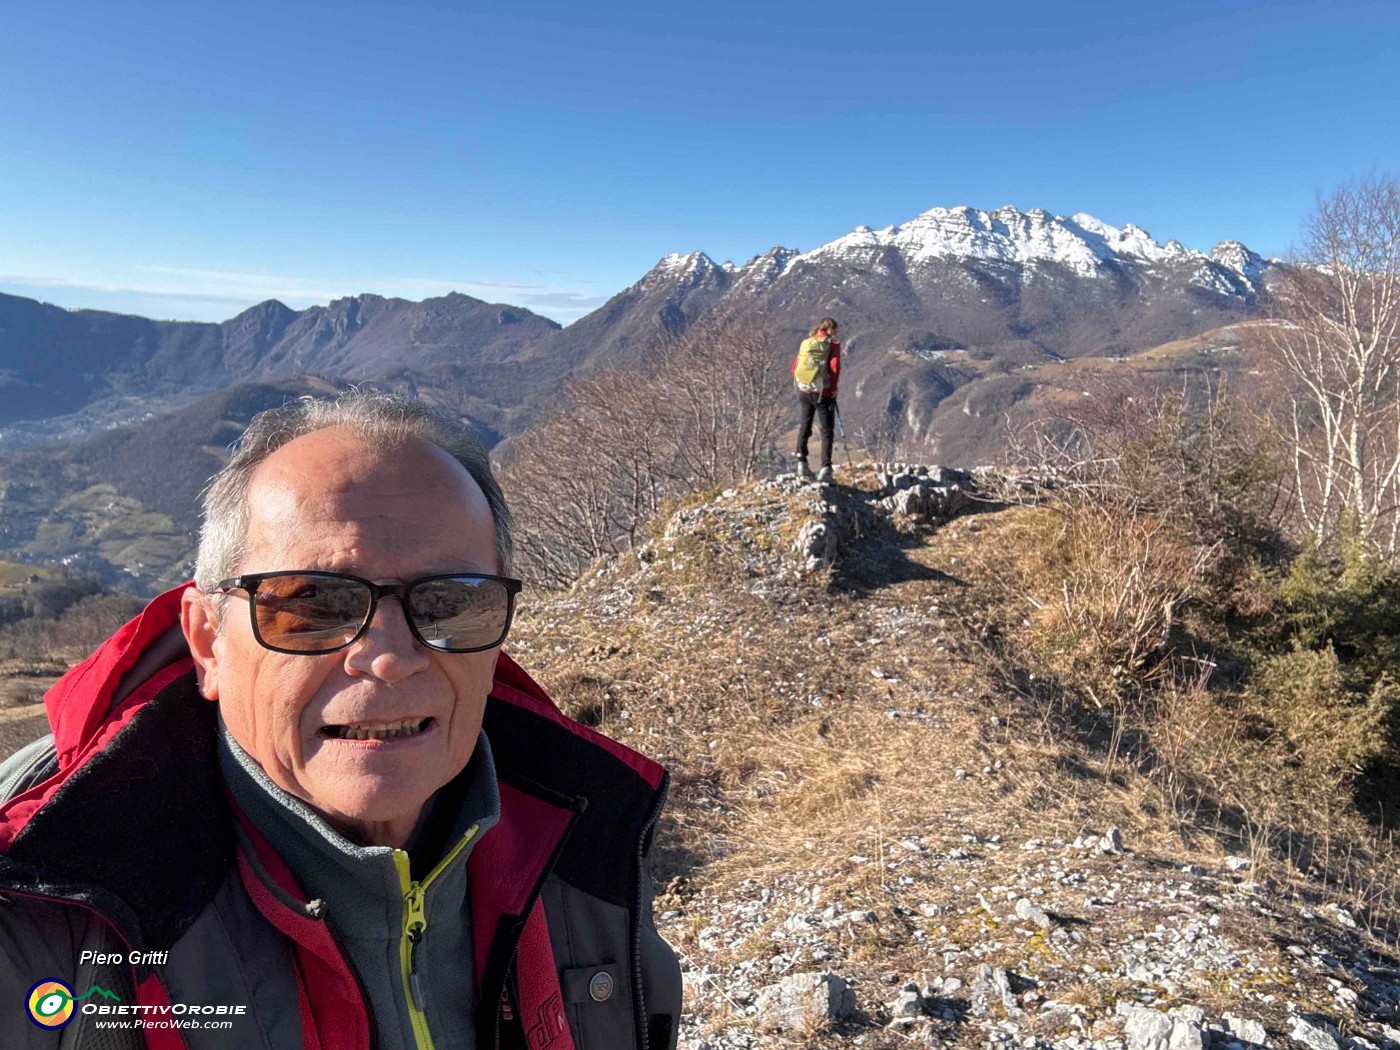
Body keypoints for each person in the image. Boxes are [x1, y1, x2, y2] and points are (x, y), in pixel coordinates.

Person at [0, 392, 682, 1049]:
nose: (386, 658)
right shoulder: (45, 915)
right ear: (210, 642)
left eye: (448, 600)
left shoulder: (589, 851)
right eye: (313, 603)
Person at [792, 317, 841, 483]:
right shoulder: (832, 345)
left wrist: (805, 383)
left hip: (804, 390)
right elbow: (834, 367)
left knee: (805, 425)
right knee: (827, 431)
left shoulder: (807, 343)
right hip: (823, 393)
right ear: (831, 330)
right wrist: (833, 388)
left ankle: (801, 462)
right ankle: (825, 469)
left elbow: (794, 368)